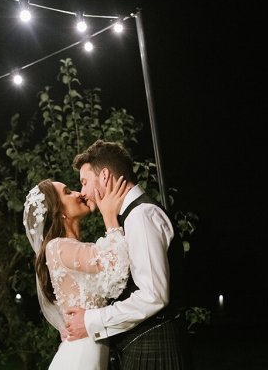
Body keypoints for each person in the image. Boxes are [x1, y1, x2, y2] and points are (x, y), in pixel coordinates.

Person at [65, 140, 193, 370]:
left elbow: (153, 296)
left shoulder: (141, 216)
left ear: (104, 176)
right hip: (142, 345)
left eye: (84, 182)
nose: (82, 192)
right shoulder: (131, 216)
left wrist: (91, 320)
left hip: (155, 347)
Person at [23, 176, 131, 370]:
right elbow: (117, 266)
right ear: (59, 211)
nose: (79, 193)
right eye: (67, 193)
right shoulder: (57, 247)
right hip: (83, 354)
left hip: (91, 347)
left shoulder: (72, 248)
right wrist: (109, 216)